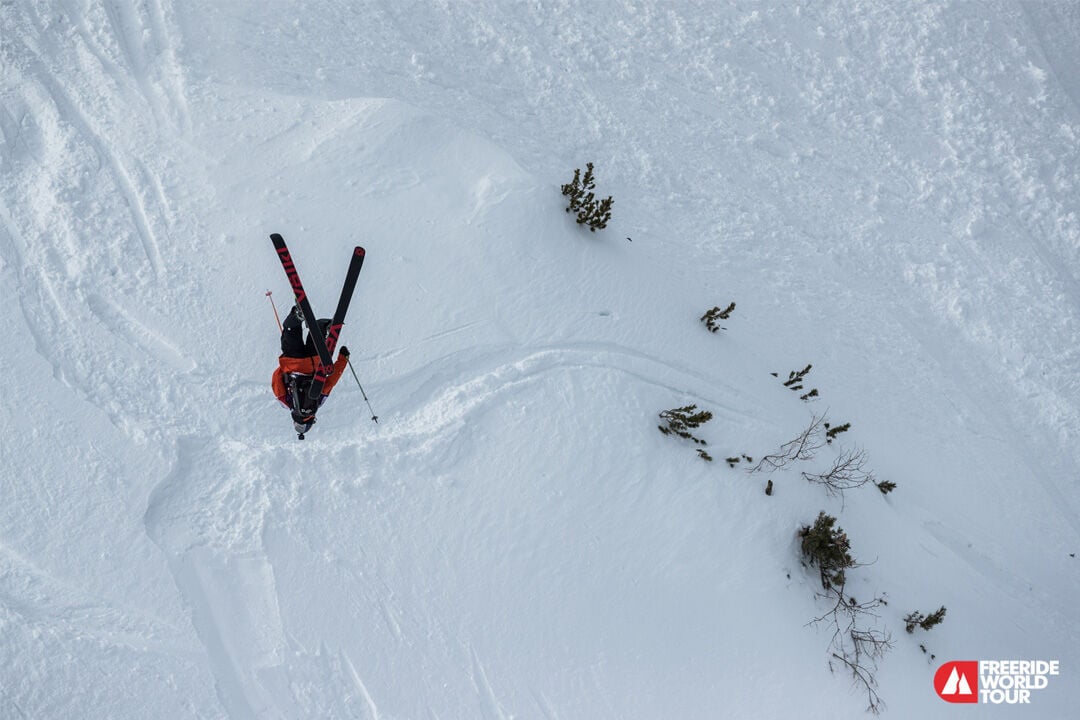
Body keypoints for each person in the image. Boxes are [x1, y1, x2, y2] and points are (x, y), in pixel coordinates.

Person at [272, 306, 350, 437]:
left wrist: (343, 359)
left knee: (317, 333)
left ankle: (325, 326)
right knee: (290, 330)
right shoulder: (286, 403)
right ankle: (297, 316)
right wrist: (285, 368)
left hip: (315, 362)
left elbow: (331, 381)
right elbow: (276, 378)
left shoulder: (317, 403)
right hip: (293, 361)